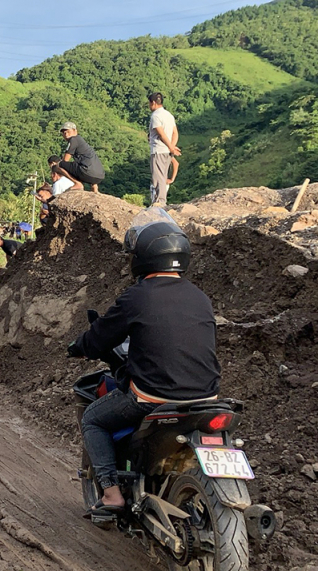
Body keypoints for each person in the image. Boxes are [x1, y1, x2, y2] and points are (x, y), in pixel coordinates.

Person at [68, 208, 220, 517]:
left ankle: (111, 495)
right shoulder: (200, 297)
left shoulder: (137, 296)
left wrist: (79, 346)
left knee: (93, 420)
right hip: (207, 399)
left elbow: (99, 338)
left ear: (143, 257)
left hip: (154, 399)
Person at [148, 92, 181, 206]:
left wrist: (171, 148)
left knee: (158, 178)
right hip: (167, 151)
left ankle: (160, 202)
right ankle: (161, 201)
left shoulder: (155, 116)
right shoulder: (169, 115)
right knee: (163, 175)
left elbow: (161, 134)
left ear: (153, 103)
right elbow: (175, 133)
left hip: (158, 150)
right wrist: (171, 147)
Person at [55, 122, 105, 194]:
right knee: (80, 165)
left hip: (87, 172)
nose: (66, 134)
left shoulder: (74, 139)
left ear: (75, 131)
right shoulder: (81, 141)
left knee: (59, 165)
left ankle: (78, 184)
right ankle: (95, 187)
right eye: (63, 133)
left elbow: (65, 160)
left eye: (68, 131)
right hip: (99, 176)